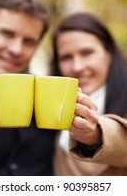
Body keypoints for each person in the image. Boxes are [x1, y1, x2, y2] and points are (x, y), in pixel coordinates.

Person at [0, 0, 98, 176]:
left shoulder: (46, 95)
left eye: (29, 41)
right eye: (7, 34)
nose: (16, 49)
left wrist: (90, 135)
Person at [51, 12, 127, 176]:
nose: (77, 67)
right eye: (66, 57)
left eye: (87, 53)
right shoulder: (52, 109)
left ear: (109, 54)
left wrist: (94, 135)